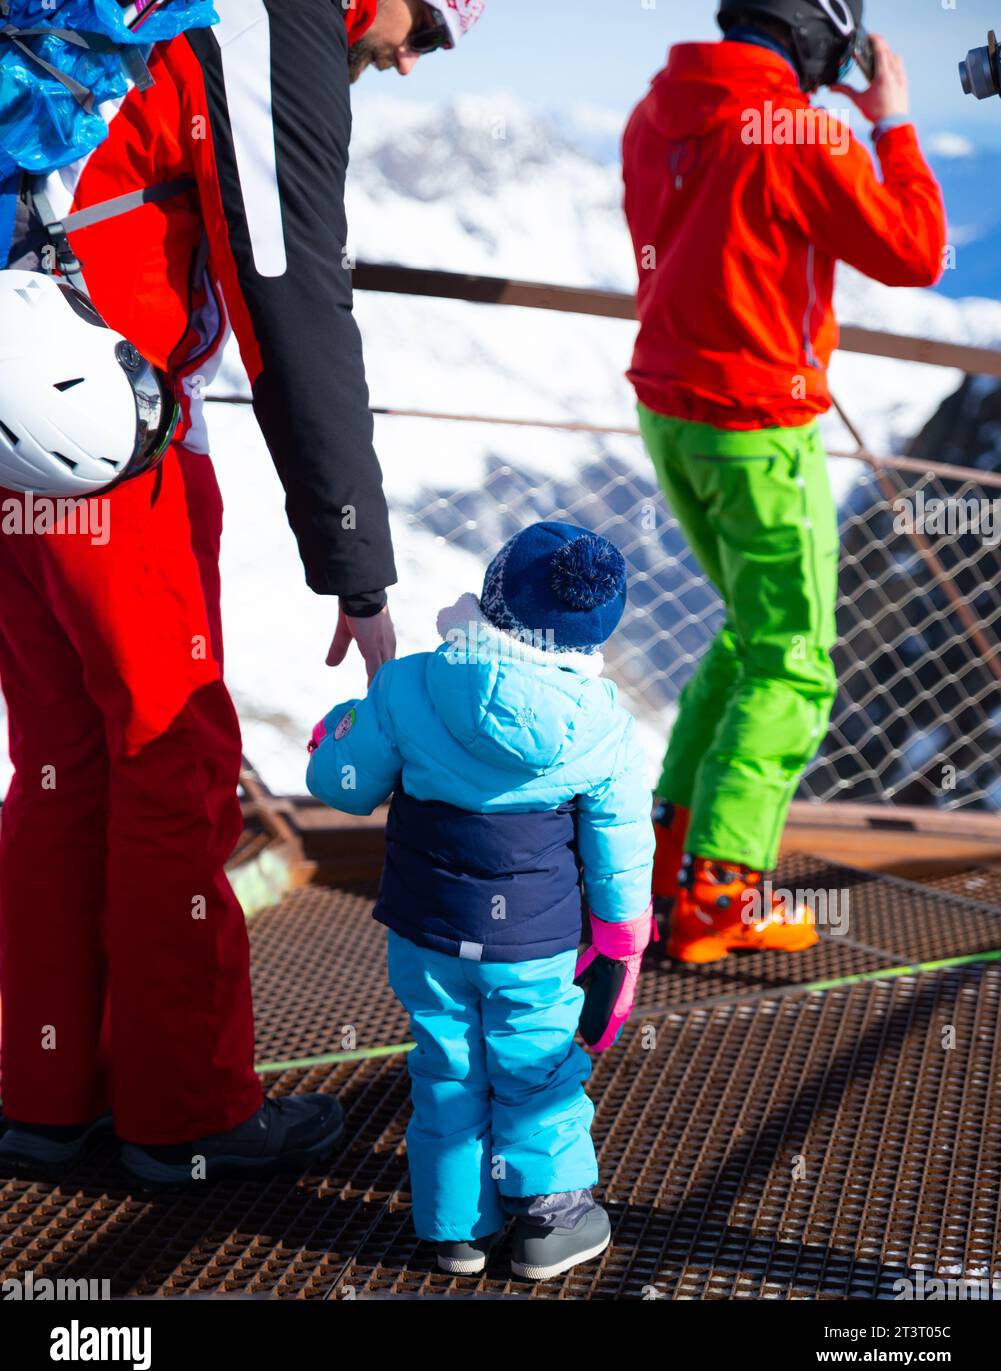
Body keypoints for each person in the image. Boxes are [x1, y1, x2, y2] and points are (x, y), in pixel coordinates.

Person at [0, 0, 484, 1183]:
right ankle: (189, 1117)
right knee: (171, 760)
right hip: (107, 430)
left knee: (58, 763)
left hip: (16, 422)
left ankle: (46, 1095)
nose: (415, 56)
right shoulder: (265, 22)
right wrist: (359, 571)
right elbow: (290, 292)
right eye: (432, 20)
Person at [622, 0, 946, 963]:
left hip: (671, 414)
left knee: (746, 636)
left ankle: (664, 854)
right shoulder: (801, 131)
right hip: (758, 425)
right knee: (794, 663)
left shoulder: (657, 109)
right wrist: (889, 120)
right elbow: (916, 250)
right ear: (820, 34)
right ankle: (719, 900)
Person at [307, 523, 654, 1281]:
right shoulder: (600, 727)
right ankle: (550, 1222)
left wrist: (334, 734)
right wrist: (622, 939)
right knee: (536, 1069)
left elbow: (345, 787)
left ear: (493, 595)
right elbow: (620, 843)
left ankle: (456, 1231)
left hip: (427, 936)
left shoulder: (407, 686)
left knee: (445, 1066)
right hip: (536, 947)